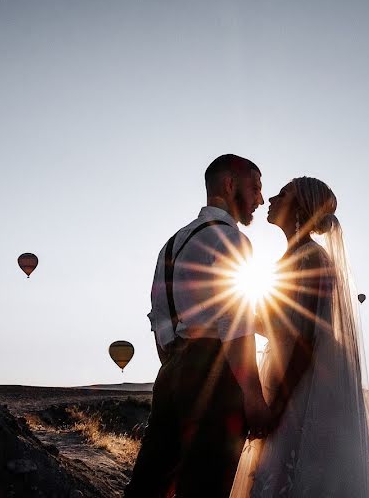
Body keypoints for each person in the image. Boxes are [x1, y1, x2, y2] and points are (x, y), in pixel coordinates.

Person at [230, 177, 369, 497]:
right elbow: (284, 328)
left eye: (283, 193)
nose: (271, 198)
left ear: (299, 208)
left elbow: (305, 342)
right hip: (286, 379)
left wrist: (277, 407)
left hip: (302, 392)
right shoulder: (292, 260)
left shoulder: (311, 260)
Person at [126, 154, 271, 498]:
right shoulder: (232, 240)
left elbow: (159, 319)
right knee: (206, 485)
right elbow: (235, 321)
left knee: (151, 483)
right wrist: (252, 394)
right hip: (216, 375)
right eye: (255, 188)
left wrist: (177, 367)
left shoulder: (171, 244)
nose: (260, 200)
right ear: (229, 184)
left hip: (172, 372)